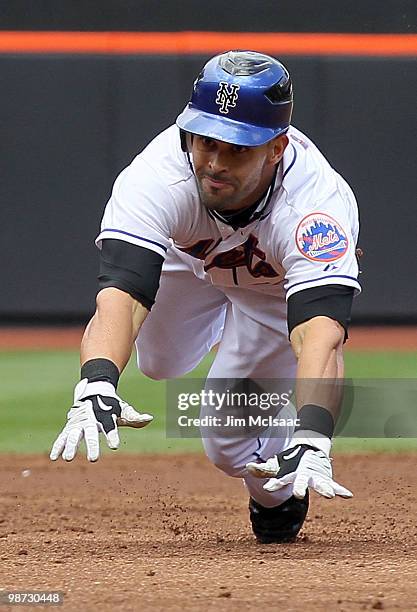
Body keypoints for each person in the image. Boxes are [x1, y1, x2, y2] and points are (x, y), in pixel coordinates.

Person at [50, 50, 360, 543]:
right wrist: (96, 381)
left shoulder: (313, 210)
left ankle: (277, 498)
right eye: (205, 140)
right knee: (158, 361)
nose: (214, 162)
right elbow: (122, 295)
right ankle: (224, 330)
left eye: (237, 148)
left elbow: (321, 334)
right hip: (189, 262)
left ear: (276, 148)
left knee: (225, 440)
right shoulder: (157, 177)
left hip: (269, 291)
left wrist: (313, 432)